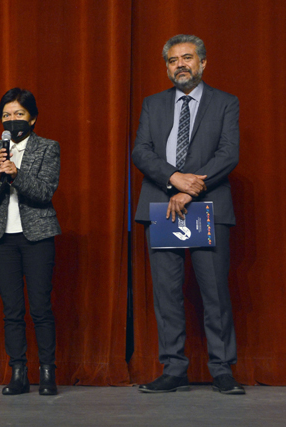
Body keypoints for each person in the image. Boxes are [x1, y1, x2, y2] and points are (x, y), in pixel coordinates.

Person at [132, 35, 243, 394]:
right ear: (167, 67)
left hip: (207, 205)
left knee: (215, 291)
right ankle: (174, 368)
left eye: (187, 58)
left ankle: (222, 369)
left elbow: (228, 153)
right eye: (173, 60)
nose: (180, 64)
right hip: (161, 205)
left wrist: (189, 188)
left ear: (202, 63)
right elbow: (141, 151)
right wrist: (173, 178)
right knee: (166, 293)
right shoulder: (152, 103)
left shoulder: (225, 102)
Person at [0, 88, 61, 395]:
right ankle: (18, 372)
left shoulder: (48, 147)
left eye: (18, 114)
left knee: (40, 307)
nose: (12, 120)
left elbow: (44, 192)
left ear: (33, 118)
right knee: (12, 309)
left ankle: (47, 372)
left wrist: (16, 174)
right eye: (6, 115)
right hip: (2, 238)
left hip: (37, 236)